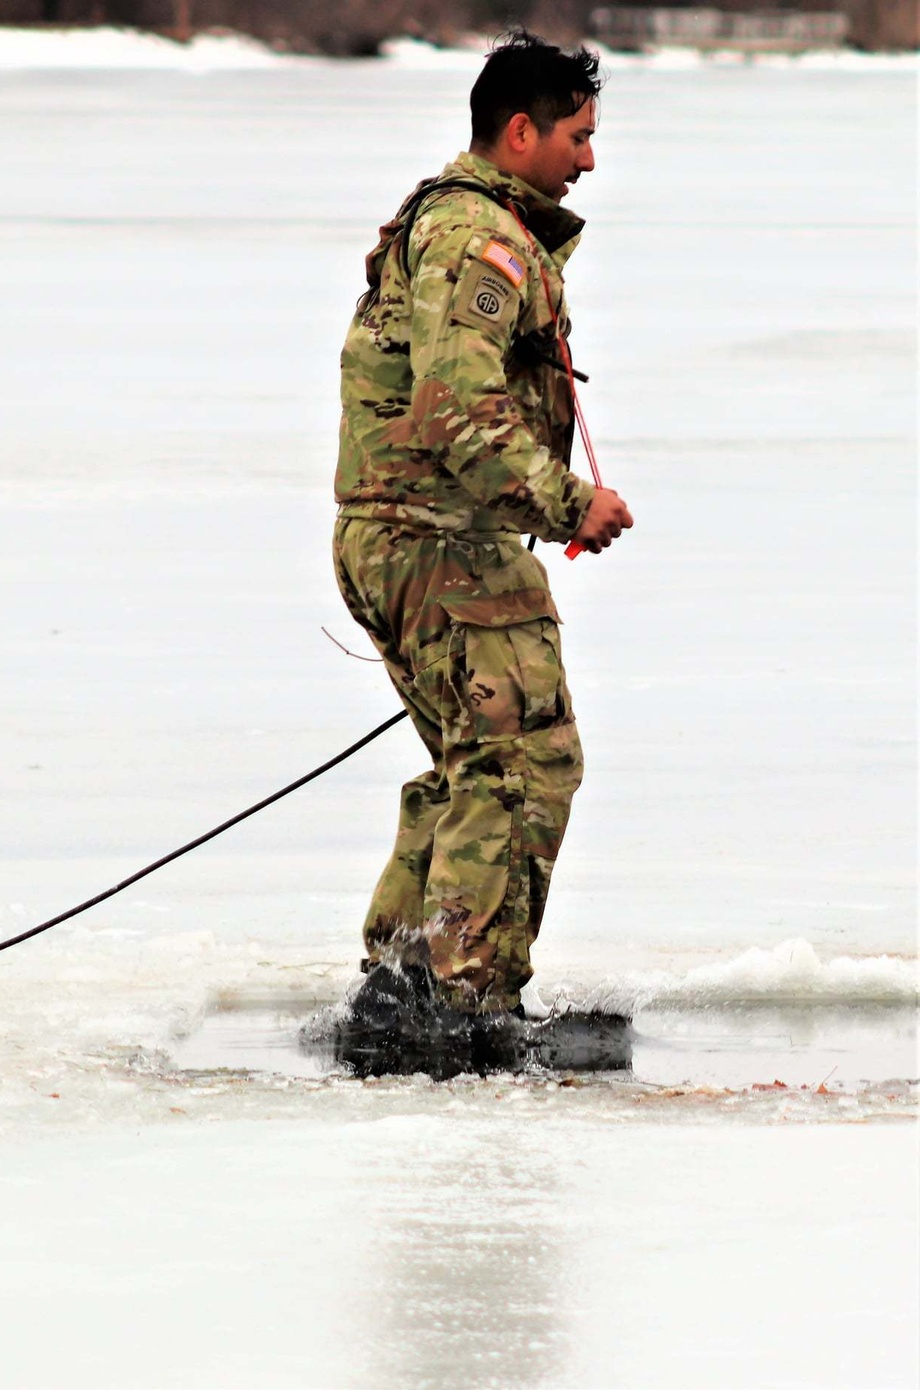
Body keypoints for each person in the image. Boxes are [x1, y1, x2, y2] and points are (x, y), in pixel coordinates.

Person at [332, 30, 633, 1023]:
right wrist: (564, 500)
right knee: (521, 762)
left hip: (408, 538)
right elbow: (456, 406)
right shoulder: (478, 242)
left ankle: (402, 983)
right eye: (577, 136)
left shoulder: (467, 226)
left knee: (475, 758)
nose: (588, 158)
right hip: (434, 543)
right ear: (520, 133)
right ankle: (467, 1005)